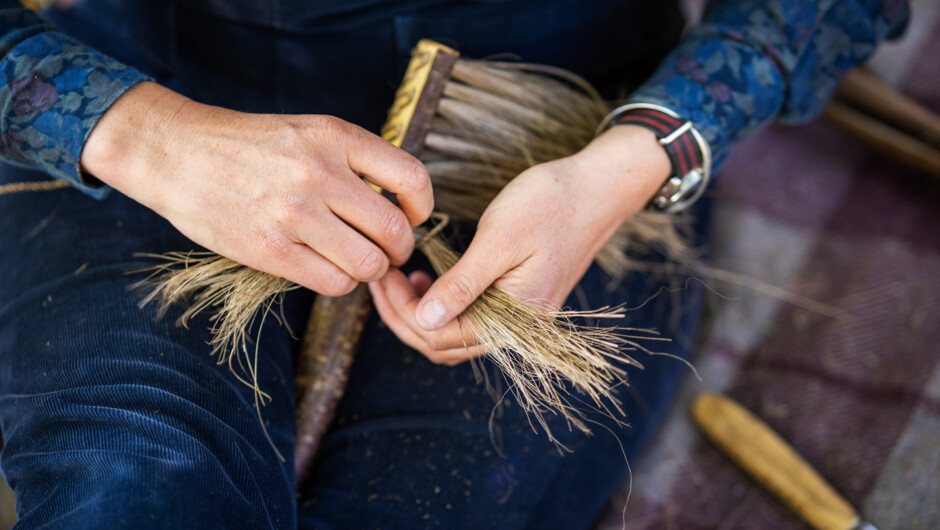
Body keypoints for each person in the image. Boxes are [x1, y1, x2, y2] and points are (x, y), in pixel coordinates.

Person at [0, 0, 908, 528]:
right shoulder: (147, 136)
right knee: (131, 477)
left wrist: (635, 157)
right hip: (144, 125)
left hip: (548, 141)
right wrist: (145, 136)